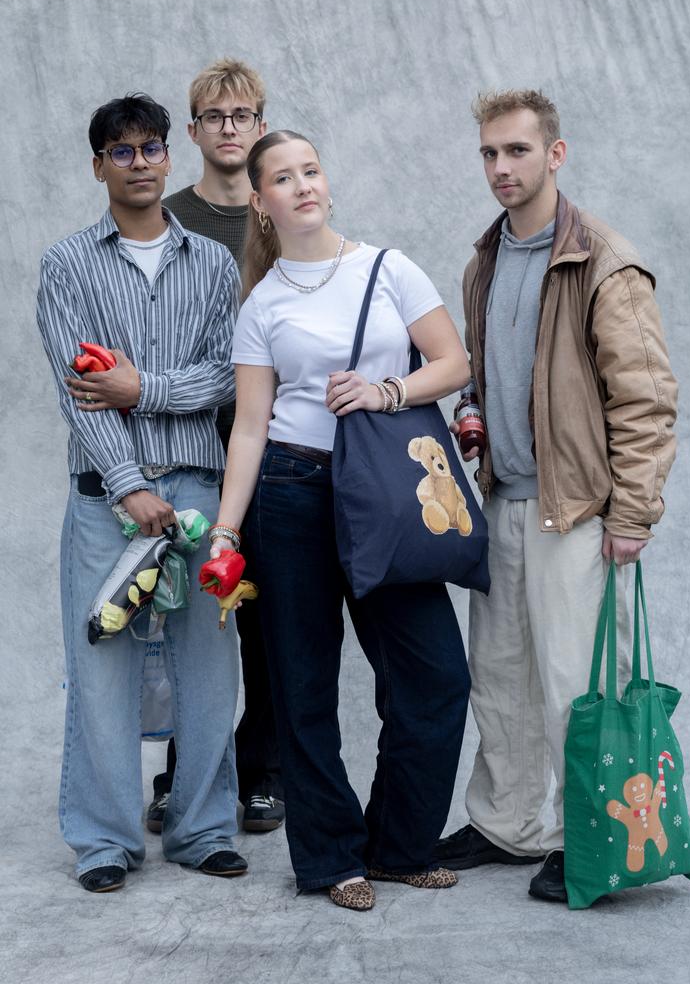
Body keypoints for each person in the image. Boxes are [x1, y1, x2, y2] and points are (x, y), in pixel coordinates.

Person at [209, 129, 472, 910]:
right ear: (261, 203)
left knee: (434, 676)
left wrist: (388, 392)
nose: (302, 186)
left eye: (311, 170)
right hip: (291, 495)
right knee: (302, 685)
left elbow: (454, 363)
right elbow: (250, 427)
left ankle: (398, 845)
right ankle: (330, 859)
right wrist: (226, 531)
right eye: (283, 179)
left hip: (386, 492)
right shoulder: (261, 304)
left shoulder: (388, 269)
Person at [434, 89, 678, 902]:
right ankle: (509, 825)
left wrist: (633, 515)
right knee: (499, 676)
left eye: (517, 151)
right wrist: (474, 417)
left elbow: (644, 398)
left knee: (578, 684)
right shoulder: (486, 260)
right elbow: (488, 371)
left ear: (555, 154)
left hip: (577, 512)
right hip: (502, 501)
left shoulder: (604, 260)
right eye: (489, 154)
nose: (501, 169)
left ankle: (593, 839)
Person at [36, 93, 247, 892]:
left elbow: (227, 375)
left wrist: (140, 386)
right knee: (102, 671)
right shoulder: (68, 264)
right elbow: (78, 390)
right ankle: (105, 841)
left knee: (207, 667)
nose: (139, 163)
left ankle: (201, 830)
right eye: (121, 152)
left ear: (170, 156)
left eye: (151, 148)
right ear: (99, 166)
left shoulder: (214, 263)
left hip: (196, 494)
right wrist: (128, 487)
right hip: (104, 502)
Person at [146, 58, 285, 838]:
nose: (229, 129)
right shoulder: (165, 219)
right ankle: (182, 774)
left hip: (274, 449)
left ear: (259, 126)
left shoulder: (283, 212)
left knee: (268, 618)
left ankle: (263, 772)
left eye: (243, 115)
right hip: (191, 447)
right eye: (214, 116)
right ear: (194, 130)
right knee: (186, 620)